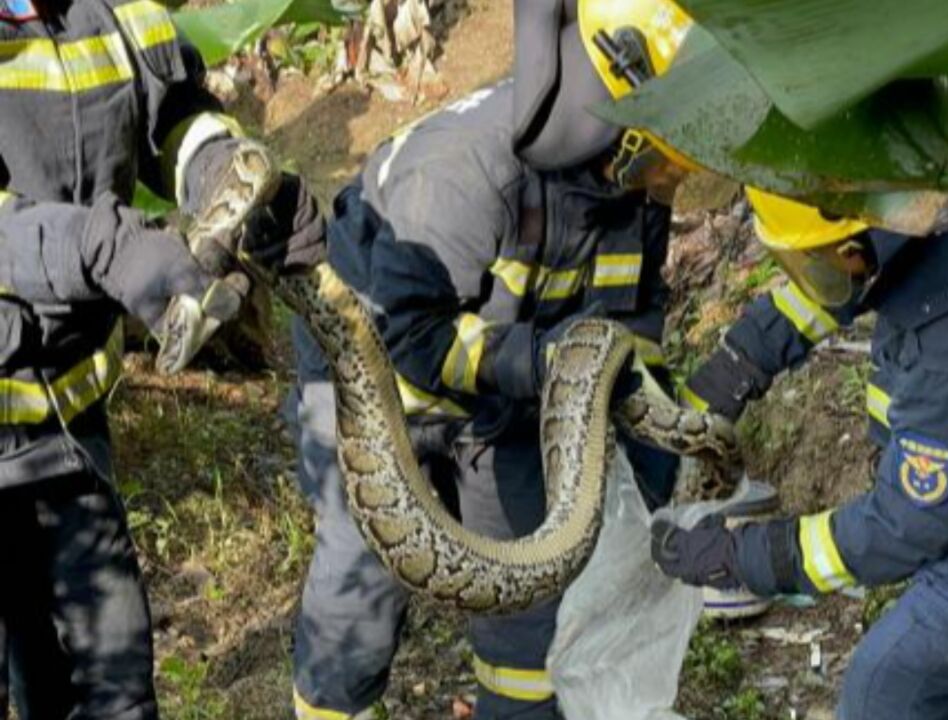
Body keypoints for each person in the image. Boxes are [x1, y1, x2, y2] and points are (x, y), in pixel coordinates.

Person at [287, 1, 698, 718]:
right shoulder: (462, 171)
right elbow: (413, 342)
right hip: (378, 391)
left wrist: (651, 444)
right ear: (616, 119)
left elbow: (634, 320)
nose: (667, 177)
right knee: (362, 591)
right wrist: (554, 363)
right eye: (663, 152)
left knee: (527, 609)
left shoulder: (631, 191)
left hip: (505, 394)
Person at [653, 188, 948, 719]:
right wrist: (735, 367)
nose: (811, 278)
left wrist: (741, 555)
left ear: (861, 246)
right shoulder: (922, 217)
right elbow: (828, 285)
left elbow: (902, 529)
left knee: (894, 682)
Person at [0, 0, 319, 715]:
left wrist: (230, 176)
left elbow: (176, 118)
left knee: (118, 692)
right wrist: (102, 247)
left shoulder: (116, 11)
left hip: (66, 421)